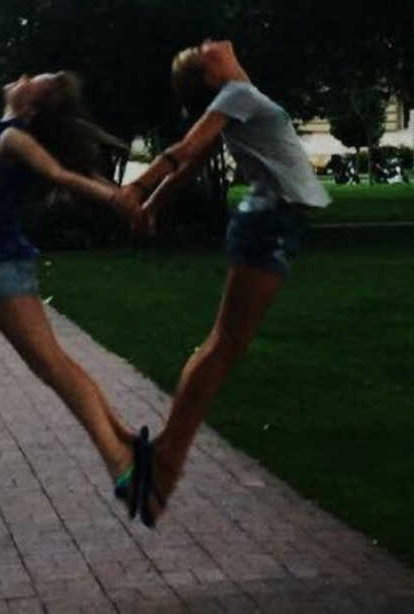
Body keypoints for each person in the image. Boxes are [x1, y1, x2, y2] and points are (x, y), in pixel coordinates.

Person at [119, 39, 331, 526]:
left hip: (275, 221)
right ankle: (164, 464)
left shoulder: (240, 95)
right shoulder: (234, 95)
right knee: (225, 345)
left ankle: (164, 458)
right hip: (270, 221)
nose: (213, 42)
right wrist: (138, 187)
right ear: (211, 75)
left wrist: (151, 208)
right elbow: (186, 151)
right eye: (202, 49)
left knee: (226, 344)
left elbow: (191, 165)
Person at [0, 71, 148, 511]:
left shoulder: (15, 138)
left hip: (1, 270)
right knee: (57, 364)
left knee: (54, 368)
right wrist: (118, 196)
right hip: (3, 266)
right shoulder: (10, 136)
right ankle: (123, 437)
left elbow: (59, 174)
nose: (21, 77)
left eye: (31, 81)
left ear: (30, 106)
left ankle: (119, 461)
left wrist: (116, 200)